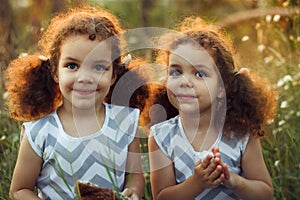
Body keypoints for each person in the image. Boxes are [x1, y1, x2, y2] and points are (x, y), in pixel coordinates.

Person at [7, 5, 145, 200]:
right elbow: (19, 189)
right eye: (72, 66)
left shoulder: (125, 121)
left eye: (99, 67)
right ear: (55, 72)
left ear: (114, 75)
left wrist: (133, 192)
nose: (85, 77)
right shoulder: (39, 133)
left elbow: (135, 176)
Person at [148, 16, 276, 200]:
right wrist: (197, 183)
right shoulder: (161, 136)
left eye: (199, 74)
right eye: (176, 72)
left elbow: (265, 194)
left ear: (222, 87)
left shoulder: (241, 133)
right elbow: (161, 196)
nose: (184, 82)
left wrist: (233, 180)